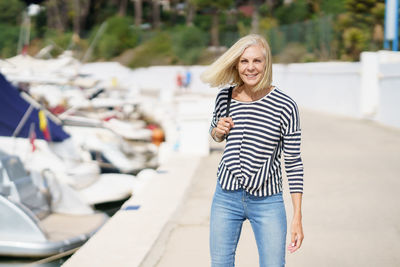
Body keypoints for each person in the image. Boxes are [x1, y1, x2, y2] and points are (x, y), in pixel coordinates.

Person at [201, 34, 304, 267]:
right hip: (226, 197)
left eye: (257, 61)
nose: (250, 68)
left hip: (267, 200)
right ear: (236, 65)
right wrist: (218, 131)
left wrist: (297, 216)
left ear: (266, 64)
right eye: (244, 61)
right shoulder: (225, 97)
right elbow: (216, 133)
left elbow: (294, 163)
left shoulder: (285, 105)